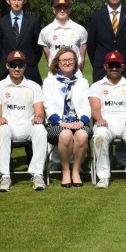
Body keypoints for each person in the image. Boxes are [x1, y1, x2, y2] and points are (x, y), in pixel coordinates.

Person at [0, 50, 48, 193]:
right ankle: (5, 176)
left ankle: (37, 174)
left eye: (20, 65)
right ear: (7, 66)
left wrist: (39, 116)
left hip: (27, 125)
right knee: (2, 129)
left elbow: (39, 110)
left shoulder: (34, 86)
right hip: (8, 126)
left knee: (40, 129)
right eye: (13, 65)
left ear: (25, 66)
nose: (17, 68)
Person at [88, 51, 126, 188]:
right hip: (105, 120)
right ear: (105, 66)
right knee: (100, 135)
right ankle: (103, 176)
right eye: (111, 65)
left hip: (124, 120)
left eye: (117, 65)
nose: (114, 68)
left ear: (122, 67)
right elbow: (95, 109)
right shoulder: (96, 86)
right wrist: (99, 119)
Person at [43, 47, 92, 188]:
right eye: (63, 60)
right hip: (56, 124)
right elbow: (48, 105)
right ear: (57, 63)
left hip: (78, 123)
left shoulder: (82, 82)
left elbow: (85, 105)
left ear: (75, 62)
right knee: (65, 134)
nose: (67, 63)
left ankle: (76, 171)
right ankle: (65, 171)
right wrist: (61, 123)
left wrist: (81, 121)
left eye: (71, 60)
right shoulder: (49, 82)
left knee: (82, 135)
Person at [0, 0, 44, 84]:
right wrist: (10, 65)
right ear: (8, 1)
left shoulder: (33, 22)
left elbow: (38, 49)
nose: (16, 3)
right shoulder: (1, 23)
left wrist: (28, 63)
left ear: (24, 1)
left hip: (29, 72)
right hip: (6, 73)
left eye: (19, 0)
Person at [38, 0, 88, 68]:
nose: (62, 10)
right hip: (54, 75)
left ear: (70, 10)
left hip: (75, 74)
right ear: (54, 10)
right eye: (59, 8)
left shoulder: (80, 29)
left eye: (65, 8)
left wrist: (79, 72)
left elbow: (82, 58)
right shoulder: (45, 31)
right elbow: (49, 59)